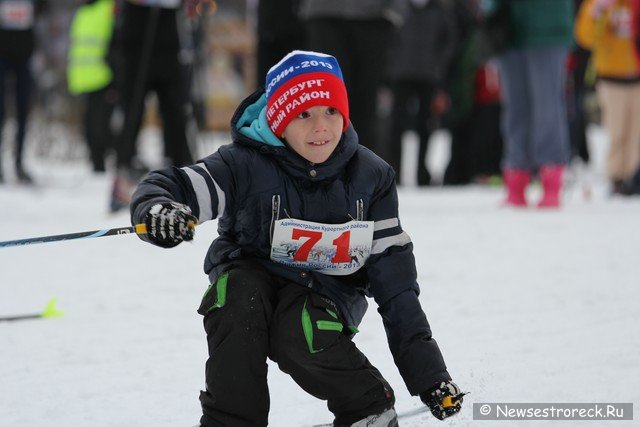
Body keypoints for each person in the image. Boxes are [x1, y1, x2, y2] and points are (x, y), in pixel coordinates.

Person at [130, 51, 463, 427]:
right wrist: (158, 210)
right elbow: (174, 185)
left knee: (299, 330)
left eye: (331, 112)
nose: (321, 127)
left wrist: (431, 377)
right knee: (236, 302)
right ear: (278, 120)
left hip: (326, 292)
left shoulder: (372, 178)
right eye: (304, 114)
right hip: (251, 274)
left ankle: (368, 406)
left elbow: (396, 287)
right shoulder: (243, 164)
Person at [110, 0, 194, 212]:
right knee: (133, 111)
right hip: (137, 32)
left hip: (168, 33)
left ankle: (184, 180)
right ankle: (122, 177)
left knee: (175, 111)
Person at [298, 0, 407, 154]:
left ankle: (364, 170)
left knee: (366, 100)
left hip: (374, 16)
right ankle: (325, 170)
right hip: (323, 14)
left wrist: (396, 10)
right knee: (328, 98)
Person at [494, 0, 574, 208]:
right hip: (509, 29)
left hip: (547, 28)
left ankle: (551, 179)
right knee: (514, 108)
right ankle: (515, 179)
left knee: (547, 107)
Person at [384, 0, 459, 186]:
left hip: (429, 76)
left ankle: (422, 175)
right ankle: (393, 173)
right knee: (396, 125)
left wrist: (439, 66)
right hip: (400, 75)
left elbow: (450, 40)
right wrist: (391, 66)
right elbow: (386, 38)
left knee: (426, 125)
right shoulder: (397, 8)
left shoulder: (440, 11)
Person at [575, 0, 640, 194]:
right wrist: (598, 12)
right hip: (611, 77)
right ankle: (617, 177)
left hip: (636, 76)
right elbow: (585, 38)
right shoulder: (598, 3)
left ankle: (633, 175)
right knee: (617, 129)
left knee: (635, 132)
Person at [67, 0, 117, 173]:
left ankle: (124, 160)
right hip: (86, 81)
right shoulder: (82, 13)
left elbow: (116, 43)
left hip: (105, 80)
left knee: (101, 128)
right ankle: (98, 167)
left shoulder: (108, 8)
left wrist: (116, 79)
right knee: (90, 128)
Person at [0, 0, 45, 184]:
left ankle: (19, 164)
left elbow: (42, 13)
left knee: (23, 111)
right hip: (2, 55)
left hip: (25, 56)